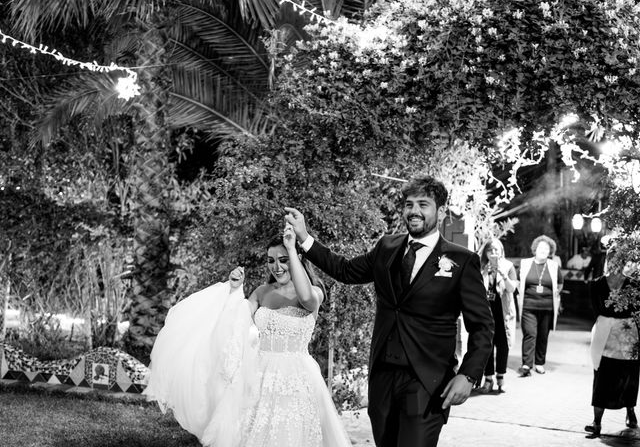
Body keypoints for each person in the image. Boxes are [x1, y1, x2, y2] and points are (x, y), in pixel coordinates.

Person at [285, 175, 494, 447]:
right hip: (383, 377)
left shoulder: (462, 261)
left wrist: (467, 375)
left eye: (423, 204)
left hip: (427, 381)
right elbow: (346, 270)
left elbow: (482, 326)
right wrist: (304, 237)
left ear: (440, 212)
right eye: (409, 204)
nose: (414, 211)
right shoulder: (387, 247)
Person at [144, 227, 352, 447]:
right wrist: (234, 290)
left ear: (296, 258)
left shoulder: (314, 292)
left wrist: (292, 248)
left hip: (296, 379)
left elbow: (307, 297)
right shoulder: (262, 292)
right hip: (257, 377)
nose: (277, 267)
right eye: (271, 260)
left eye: (283, 259)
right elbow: (236, 320)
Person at [585, 252, 640, 438]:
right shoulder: (596, 284)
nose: (615, 264)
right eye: (612, 260)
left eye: (619, 260)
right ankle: (596, 422)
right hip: (604, 335)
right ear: (607, 261)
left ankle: (630, 409)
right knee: (601, 375)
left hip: (627, 335)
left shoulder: (634, 285)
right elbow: (594, 311)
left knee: (629, 375)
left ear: (624, 262)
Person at [475, 238, 518, 394]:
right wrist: (484, 272)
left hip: (503, 312)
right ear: (485, 252)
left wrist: (503, 275)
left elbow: (512, 288)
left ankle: (501, 377)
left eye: (496, 250)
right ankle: (488, 378)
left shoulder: (508, 266)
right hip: (486, 312)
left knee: (503, 345)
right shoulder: (481, 266)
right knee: (487, 345)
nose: (493, 253)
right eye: (490, 250)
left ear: (501, 251)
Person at [517, 235, 563, 377]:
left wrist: (556, 292)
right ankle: (526, 364)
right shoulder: (524, 263)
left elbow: (560, 283)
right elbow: (518, 281)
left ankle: (539, 363)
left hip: (547, 307)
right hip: (528, 306)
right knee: (530, 334)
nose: (543, 250)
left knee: (543, 336)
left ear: (550, 251)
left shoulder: (554, 266)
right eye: (541, 247)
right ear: (535, 249)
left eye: (547, 248)